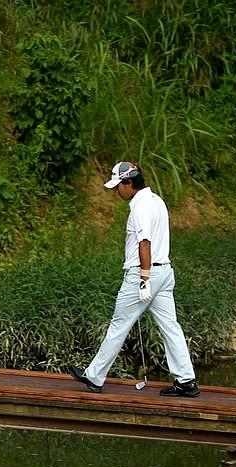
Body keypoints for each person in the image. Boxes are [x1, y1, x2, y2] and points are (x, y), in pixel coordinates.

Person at [69, 161, 200, 397]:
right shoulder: (157, 200)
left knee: (119, 325)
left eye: (119, 186)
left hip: (144, 273)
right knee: (171, 327)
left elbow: (145, 243)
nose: (117, 191)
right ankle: (186, 380)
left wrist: (144, 278)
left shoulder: (139, 207)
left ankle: (94, 376)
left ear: (129, 183)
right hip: (165, 272)